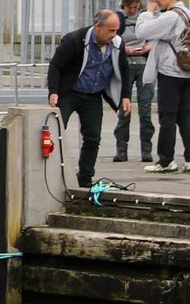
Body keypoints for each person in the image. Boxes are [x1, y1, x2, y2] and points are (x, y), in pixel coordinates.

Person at [46, 10, 131, 187]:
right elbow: (55, 65)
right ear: (97, 27)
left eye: (116, 30)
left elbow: (124, 70)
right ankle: (50, 174)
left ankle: (85, 177)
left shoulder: (116, 43)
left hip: (93, 94)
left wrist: (125, 96)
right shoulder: (75, 40)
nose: (114, 34)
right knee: (56, 131)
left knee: (93, 137)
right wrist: (53, 91)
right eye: (110, 30)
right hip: (70, 92)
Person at [135, 0, 190, 172]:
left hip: (170, 71)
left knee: (167, 116)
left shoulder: (171, 16)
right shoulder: (189, 13)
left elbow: (142, 32)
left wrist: (148, 12)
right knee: (185, 116)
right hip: (187, 72)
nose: (157, 0)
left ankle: (166, 161)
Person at [113, 0, 155, 166]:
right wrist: (124, 49)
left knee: (145, 110)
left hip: (143, 64)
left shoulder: (145, 18)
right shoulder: (118, 20)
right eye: (130, 7)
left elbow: (155, 36)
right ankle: (121, 149)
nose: (133, 11)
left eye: (135, 7)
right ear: (124, 5)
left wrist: (148, 47)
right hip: (126, 65)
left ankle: (146, 148)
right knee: (124, 109)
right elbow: (112, 39)